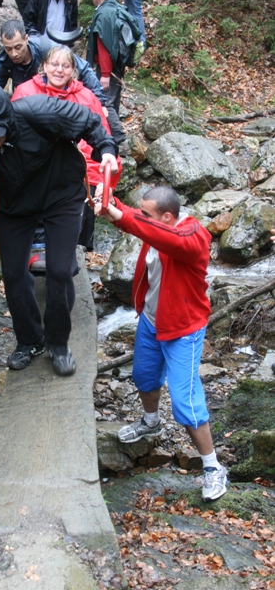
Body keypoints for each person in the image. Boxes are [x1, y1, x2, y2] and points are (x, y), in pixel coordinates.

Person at [0, 81, 118, 377]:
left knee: (60, 271)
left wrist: (107, 150)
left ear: (7, 119)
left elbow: (90, 121)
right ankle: (29, 341)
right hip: (16, 206)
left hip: (60, 195)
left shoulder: (38, 111)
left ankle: (57, 343)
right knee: (12, 274)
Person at [94, 185, 228, 502]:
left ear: (167, 217)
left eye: (146, 214)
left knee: (186, 402)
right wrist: (111, 203)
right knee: (143, 376)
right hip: (152, 321)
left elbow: (168, 238)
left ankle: (212, 466)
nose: (141, 217)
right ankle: (151, 422)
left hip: (184, 328)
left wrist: (123, 217)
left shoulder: (191, 236)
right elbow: (142, 224)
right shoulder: (161, 226)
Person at [11, 44, 122, 252]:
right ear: (44, 66)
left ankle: (76, 250)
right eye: (54, 64)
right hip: (35, 163)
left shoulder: (87, 97)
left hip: (76, 164)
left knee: (85, 185)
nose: (59, 70)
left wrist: (100, 181)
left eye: (65, 66)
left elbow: (101, 138)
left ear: (73, 71)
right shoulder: (25, 91)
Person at [0, 19, 129, 150]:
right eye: (8, 49)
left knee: (100, 109)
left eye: (18, 47)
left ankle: (119, 143)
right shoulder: (3, 61)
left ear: (26, 39)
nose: (14, 53)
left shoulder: (48, 49)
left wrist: (100, 101)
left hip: (57, 99)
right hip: (26, 100)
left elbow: (83, 69)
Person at [86, 0, 134, 129]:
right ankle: (113, 136)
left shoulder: (104, 15)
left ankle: (117, 138)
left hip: (108, 68)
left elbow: (104, 45)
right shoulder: (114, 5)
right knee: (113, 101)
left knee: (105, 103)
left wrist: (105, 74)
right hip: (118, 64)